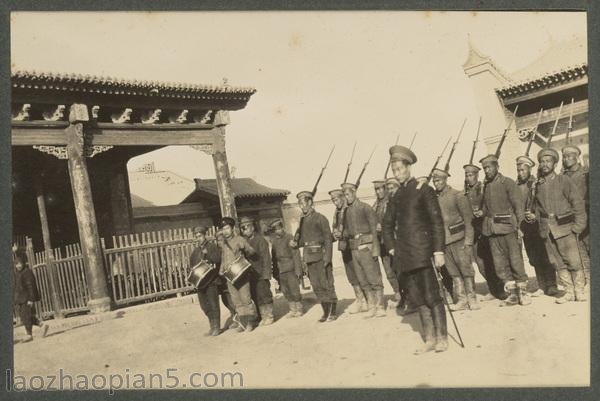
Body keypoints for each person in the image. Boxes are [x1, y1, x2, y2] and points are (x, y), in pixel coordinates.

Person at [382, 145, 448, 354]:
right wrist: (392, 248)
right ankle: (429, 339)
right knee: (418, 299)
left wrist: (438, 251)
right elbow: (386, 225)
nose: (397, 174)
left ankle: (442, 338)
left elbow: (436, 222)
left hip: (424, 254)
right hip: (405, 257)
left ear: (408, 167)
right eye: (394, 171)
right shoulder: (396, 196)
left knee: (432, 297)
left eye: (400, 169)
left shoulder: (423, 190)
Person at [528, 148, 587, 303]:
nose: (544, 164)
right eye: (542, 162)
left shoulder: (564, 180)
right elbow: (538, 209)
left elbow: (577, 203)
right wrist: (538, 222)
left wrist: (578, 226)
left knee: (573, 260)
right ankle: (568, 291)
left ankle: (579, 290)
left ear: (554, 164)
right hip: (548, 230)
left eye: (548, 161)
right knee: (557, 262)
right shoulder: (538, 185)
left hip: (565, 227)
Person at [475, 154, 529, 306]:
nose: (487, 170)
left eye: (489, 167)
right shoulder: (486, 186)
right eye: (485, 168)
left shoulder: (508, 183)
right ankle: (512, 294)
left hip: (508, 229)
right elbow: (486, 207)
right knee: (500, 265)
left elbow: (518, 206)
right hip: (492, 231)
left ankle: (523, 293)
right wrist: (482, 212)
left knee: (516, 262)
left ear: (497, 167)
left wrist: (520, 227)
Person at [431, 169, 479, 311]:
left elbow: (468, 220)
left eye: (439, 180)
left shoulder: (457, 195)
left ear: (445, 180)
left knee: (466, 270)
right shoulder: (433, 199)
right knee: (453, 273)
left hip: (460, 240)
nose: (437, 183)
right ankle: (462, 299)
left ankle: (472, 298)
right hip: (444, 243)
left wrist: (468, 241)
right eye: (434, 181)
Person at [290, 191, 338, 322]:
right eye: (300, 204)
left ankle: (333, 311)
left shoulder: (320, 218)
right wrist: (295, 243)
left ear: (310, 202)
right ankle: (325, 311)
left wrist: (328, 258)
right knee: (316, 285)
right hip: (309, 258)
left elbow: (328, 239)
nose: (302, 206)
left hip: (321, 256)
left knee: (327, 284)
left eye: (303, 203)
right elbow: (302, 240)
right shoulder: (302, 220)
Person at [515, 156, 559, 297]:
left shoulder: (535, 183)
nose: (520, 172)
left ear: (530, 169)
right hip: (526, 228)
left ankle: (552, 284)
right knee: (533, 257)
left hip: (538, 225)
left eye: (523, 169)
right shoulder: (516, 186)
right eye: (518, 170)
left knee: (545, 255)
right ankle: (541, 285)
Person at [342, 182, 386, 318]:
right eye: (344, 195)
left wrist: (375, 250)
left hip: (367, 248)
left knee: (374, 278)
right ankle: (371, 306)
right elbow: (347, 231)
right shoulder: (346, 211)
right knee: (362, 279)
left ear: (354, 193)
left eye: (348, 194)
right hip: (354, 250)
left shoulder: (365, 208)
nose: (346, 197)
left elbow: (374, 230)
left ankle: (380, 306)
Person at [189, 226, 234, 336]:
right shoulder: (195, 251)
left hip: (211, 281)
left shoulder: (212, 247)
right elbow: (192, 266)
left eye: (200, 236)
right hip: (200, 283)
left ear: (204, 235)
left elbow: (218, 259)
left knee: (214, 305)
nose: (198, 238)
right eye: (196, 236)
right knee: (204, 306)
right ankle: (212, 326)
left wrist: (207, 253)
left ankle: (216, 327)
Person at [329, 189, 367, 314]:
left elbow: (353, 228)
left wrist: (342, 234)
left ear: (342, 198)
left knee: (360, 273)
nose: (335, 203)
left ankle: (367, 300)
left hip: (353, 246)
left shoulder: (348, 210)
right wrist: (334, 234)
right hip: (344, 247)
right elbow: (335, 228)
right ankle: (359, 299)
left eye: (337, 199)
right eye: (333, 200)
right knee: (351, 276)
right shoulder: (337, 212)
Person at [219, 217, 258, 332]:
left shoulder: (239, 239)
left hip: (241, 274)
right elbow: (223, 258)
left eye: (227, 228)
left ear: (232, 228)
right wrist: (221, 269)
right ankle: (243, 322)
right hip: (230, 276)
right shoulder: (224, 244)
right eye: (223, 229)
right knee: (236, 300)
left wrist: (245, 248)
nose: (225, 231)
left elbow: (252, 252)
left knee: (246, 298)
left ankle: (251, 322)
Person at [561, 144, 590, 294]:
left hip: (589, 216)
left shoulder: (586, 173)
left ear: (577, 157)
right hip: (571, 219)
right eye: (564, 157)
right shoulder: (563, 177)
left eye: (569, 156)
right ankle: (588, 280)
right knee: (580, 251)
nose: (566, 159)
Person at [240, 216, 275, 326]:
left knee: (264, 294)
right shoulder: (244, 241)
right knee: (256, 296)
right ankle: (262, 316)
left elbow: (266, 258)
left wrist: (266, 274)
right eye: (242, 228)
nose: (245, 230)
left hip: (261, 273)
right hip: (251, 274)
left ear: (252, 227)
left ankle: (269, 316)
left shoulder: (260, 240)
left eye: (246, 227)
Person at [372, 180, 402, 308]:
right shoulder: (376, 205)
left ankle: (408, 296)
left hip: (394, 241)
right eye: (376, 189)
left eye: (380, 189)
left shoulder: (392, 202)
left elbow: (396, 221)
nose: (378, 191)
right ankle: (398, 295)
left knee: (399, 270)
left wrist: (382, 226)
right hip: (382, 243)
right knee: (389, 272)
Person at [269, 219, 304, 317]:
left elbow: (295, 254)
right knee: (285, 290)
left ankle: (299, 309)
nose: (277, 231)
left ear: (282, 228)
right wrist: (275, 272)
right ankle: (292, 309)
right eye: (275, 230)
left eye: (279, 228)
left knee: (294, 289)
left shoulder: (289, 238)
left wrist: (298, 270)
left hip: (290, 268)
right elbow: (274, 257)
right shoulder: (274, 241)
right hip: (281, 269)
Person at [14, 254, 47, 342]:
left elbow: (30, 287)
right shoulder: (18, 273)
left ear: (23, 263)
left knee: (26, 316)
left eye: (20, 263)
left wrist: (31, 299)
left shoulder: (27, 272)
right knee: (24, 316)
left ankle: (29, 335)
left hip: (27, 298)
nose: (18, 265)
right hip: (21, 299)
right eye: (17, 264)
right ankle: (42, 325)